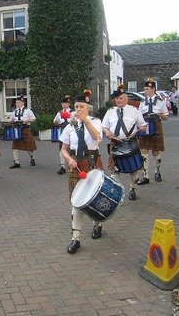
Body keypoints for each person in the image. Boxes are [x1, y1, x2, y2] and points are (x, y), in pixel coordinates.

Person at [60, 91, 104, 254]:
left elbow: (97, 137)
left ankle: (97, 225)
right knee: (76, 201)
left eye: (81, 107)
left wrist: (85, 121)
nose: (78, 109)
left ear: (88, 109)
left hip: (92, 161)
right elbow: (64, 149)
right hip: (75, 164)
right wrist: (68, 159)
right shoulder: (70, 125)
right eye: (76, 106)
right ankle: (75, 238)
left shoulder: (95, 121)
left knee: (95, 198)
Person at [102, 84, 147, 201]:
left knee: (134, 169)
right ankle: (117, 193)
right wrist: (107, 132)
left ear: (127, 99)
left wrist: (142, 128)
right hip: (115, 144)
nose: (118, 100)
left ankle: (133, 189)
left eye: (121, 98)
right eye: (117, 98)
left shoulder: (134, 111)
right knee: (114, 169)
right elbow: (104, 126)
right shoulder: (110, 111)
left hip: (131, 143)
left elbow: (143, 125)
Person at [136, 79, 169, 185]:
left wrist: (160, 115)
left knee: (155, 151)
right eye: (145, 89)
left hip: (156, 126)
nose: (146, 91)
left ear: (153, 89)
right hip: (145, 127)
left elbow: (166, 117)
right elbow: (139, 116)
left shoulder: (161, 101)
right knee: (144, 151)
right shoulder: (142, 103)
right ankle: (145, 176)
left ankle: (157, 171)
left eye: (147, 89)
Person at [8, 95, 37, 168]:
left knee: (28, 147)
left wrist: (28, 120)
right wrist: (10, 120)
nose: (17, 104)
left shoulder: (27, 110)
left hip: (25, 129)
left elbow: (33, 119)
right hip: (16, 130)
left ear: (23, 103)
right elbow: (11, 119)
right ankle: (17, 162)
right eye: (16, 102)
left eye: (19, 102)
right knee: (15, 147)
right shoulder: (15, 111)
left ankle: (32, 158)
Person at [53, 95, 74, 175]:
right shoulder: (59, 113)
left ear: (69, 104)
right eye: (63, 103)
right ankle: (62, 166)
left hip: (71, 132)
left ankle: (71, 164)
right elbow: (54, 121)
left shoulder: (72, 112)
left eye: (66, 103)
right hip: (62, 132)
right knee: (61, 148)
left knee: (71, 149)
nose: (64, 105)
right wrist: (56, 121)